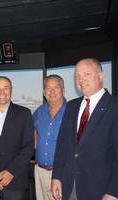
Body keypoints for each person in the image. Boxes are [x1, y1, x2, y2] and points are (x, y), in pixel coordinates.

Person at [51, 58, 118, 200]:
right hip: (68, 185)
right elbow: (62, 145)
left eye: (87, 74)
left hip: (101, 189)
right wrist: (56, 176)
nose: (81, 80)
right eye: (77, 76)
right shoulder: (72, 106)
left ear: (101, 76)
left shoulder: (114, 107)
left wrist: (114, 191)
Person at [33, 75, 66, 200]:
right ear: (43, 92)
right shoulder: (39, 111)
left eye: (56, 88)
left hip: (62, 173)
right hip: (40, 171)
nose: (52, 92)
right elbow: (34, 131)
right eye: (48, 88)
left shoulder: (72, 111)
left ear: (63, 89)